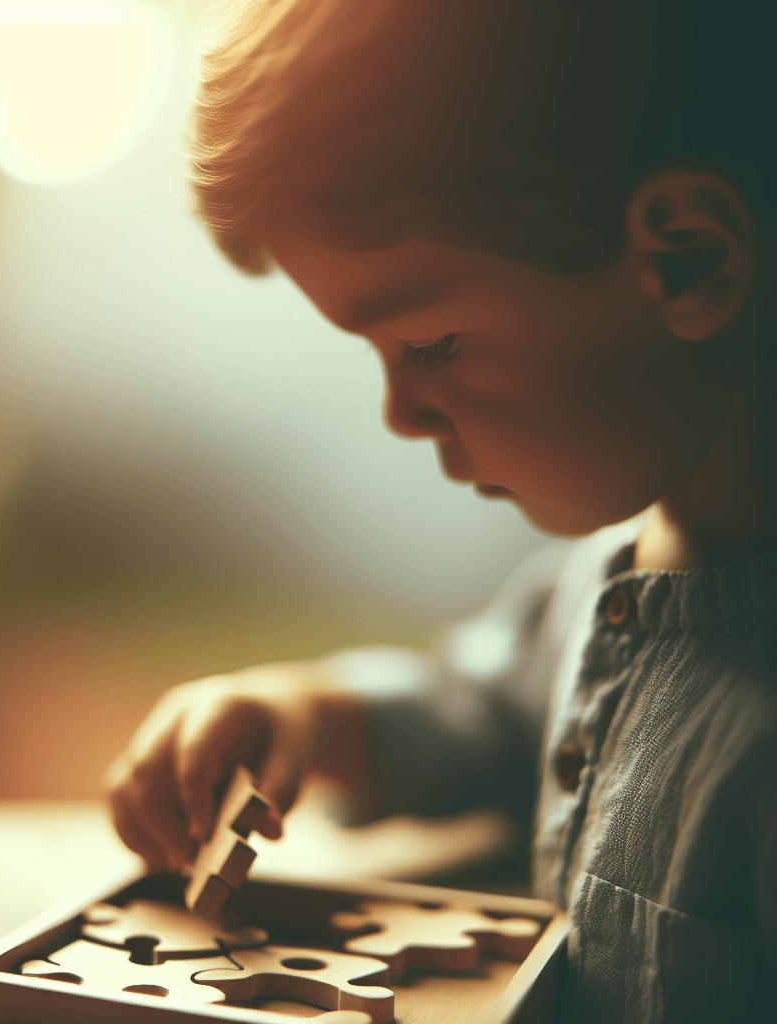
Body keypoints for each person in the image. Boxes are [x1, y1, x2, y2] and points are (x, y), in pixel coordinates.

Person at [103, 2, 776, 1020]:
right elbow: (496, 710)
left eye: (428, 343)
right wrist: (311, 714)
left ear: (687, 260)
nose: (399, 411)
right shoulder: (601, 577)